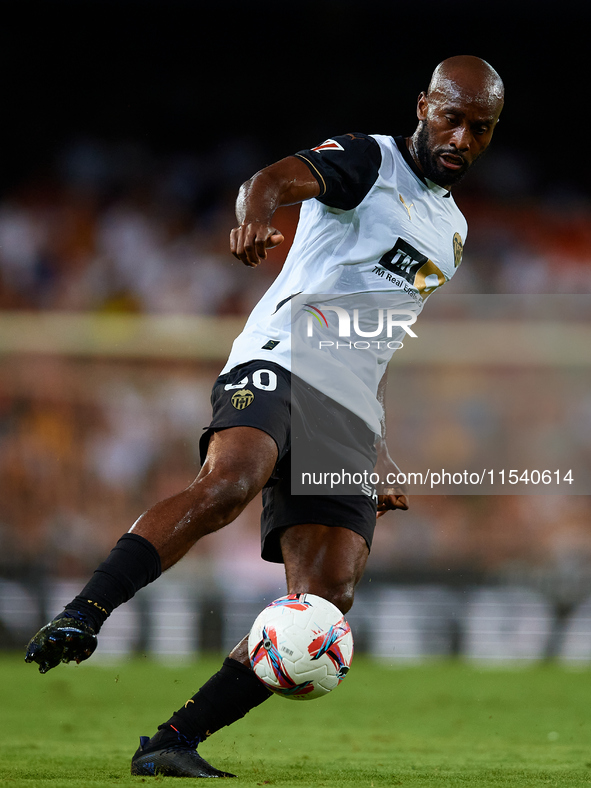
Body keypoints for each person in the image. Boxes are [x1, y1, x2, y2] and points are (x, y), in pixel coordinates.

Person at [25, 55, 504, 778]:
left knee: (327, 597)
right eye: (451, 117)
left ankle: (171, 742)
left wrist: (374, 443)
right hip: (280, 358)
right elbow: (270, 182)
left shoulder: (453, 233)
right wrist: (254, 220)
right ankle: (84, 613)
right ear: (421, 106)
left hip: (345, 405)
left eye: (480, 128)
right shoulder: (367, 161)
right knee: (229, 481)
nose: (461, 137)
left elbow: (372, 339)